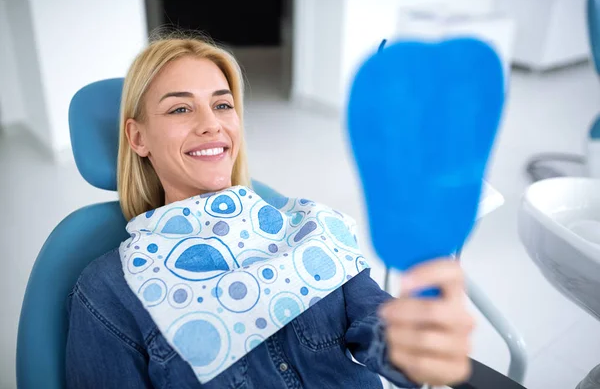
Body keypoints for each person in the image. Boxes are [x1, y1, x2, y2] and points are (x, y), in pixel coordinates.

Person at [65, 33, 475, 389]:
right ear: (138, 137)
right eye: (180, 108)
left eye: (223, 105)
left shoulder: (311, 228)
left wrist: (416, 342)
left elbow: (378, 327)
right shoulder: (108, 291)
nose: (212, 125)